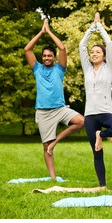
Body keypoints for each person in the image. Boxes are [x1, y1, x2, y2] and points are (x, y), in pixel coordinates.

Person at [24, 18, 84, 179]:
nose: (46, 58)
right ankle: (52, 178)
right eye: (44, 56)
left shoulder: (60, 69)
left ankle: (56, 140)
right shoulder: (37, 69)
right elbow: (27, 50)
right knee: (46, 147)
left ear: (54, 57)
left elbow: (62, 48)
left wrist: (49, 31)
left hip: (60, 108)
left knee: (81, 121)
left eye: (50, 56)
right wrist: (41, 32)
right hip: (43, 112)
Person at [79, 12, 112, 188]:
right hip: (90, 115)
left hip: (106, 112)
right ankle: (102, 186)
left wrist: (100, 27)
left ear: (104, 56)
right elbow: (82, 45)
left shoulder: (109, 68)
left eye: (98, 52)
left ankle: (101, 135)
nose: (94, 53)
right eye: (93, 52)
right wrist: (92, 27)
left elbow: (108, 44)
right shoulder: (87, 69)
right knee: (97, 152)